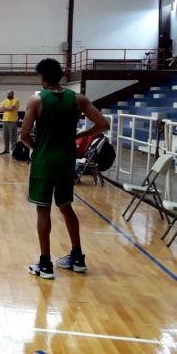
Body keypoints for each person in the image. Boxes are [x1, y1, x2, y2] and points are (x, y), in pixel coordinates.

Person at [21, 58, 109, 279]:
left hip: (44, 162)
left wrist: (37, 148)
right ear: (60, 76)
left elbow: (23, 135)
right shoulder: (78, 99)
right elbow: (103, 124)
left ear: (42, 78)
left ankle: (45, 264)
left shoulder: (36, 100)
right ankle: (77, 258)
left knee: (43, 210)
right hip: (67, 161)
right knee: (66, 206)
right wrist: (81, 135)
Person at [0, 90, 20, 155]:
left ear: (13, 94)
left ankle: (14, 150)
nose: (8, 94)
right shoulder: (4, 101)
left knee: (13, 136)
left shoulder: (16, 100)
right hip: (5, 120)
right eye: (8, 93)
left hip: (13, 120)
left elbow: (11, 108)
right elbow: (1, 109)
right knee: (5, 136)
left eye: (10, 93)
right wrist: (7, 108)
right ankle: (6, 150)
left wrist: (5, 108)